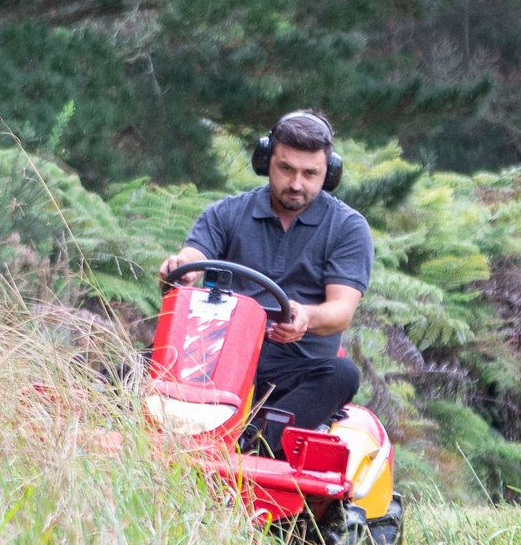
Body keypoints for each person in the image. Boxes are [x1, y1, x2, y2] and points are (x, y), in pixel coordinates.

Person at [159, 110, 373, 448]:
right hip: (217, 354)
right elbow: (194, 257)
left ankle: (253, 444)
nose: (296, 184)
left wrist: (306, 317)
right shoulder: (226, 213)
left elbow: (341, 311)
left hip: (297, 365)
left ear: (328, 173)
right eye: (286, 169)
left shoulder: (348, 228)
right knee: (134, 365)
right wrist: (182, 268)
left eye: (310, 173)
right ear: (266, 160)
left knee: (342, 376)